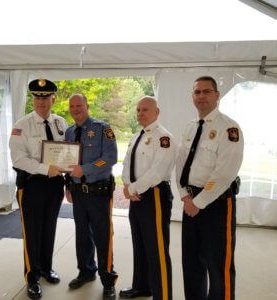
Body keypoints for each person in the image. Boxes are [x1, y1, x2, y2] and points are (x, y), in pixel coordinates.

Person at [176, 76, 244, 300]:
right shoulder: (189, 127)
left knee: (218, 266)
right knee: (192, 263)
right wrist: (186, 196)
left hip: (216, 205)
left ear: (217, 95)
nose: (201, 96)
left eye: (207, 92)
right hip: (190, 204)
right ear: (192, 97)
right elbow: (181, 165)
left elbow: (225, 173)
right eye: (197, 92)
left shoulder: (229, 129)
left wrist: (199, 202)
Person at [9, 79, 68, 299]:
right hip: (32, 185)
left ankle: (45, 267)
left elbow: (66, 153)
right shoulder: (21, 125)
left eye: (45, 97)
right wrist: (46, 168)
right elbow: (18, 159)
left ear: (53, 99)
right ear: (33, 99)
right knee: (32, 232)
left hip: (55, 185)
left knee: (49, 228)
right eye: (37, 97)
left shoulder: (60, 122)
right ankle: (32, 277)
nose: (41, 102)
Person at [120, 96, 178, 300]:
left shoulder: (164, 138)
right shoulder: (137, 136)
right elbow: (127, 163)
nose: (140, 113)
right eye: (138, 110)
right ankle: (142, 286)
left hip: (154, 196)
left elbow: (157, 172)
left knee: (157, 249)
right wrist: (126, 185)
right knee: (140, 243)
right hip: (136, 197)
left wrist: (133, 188)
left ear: (157, 112)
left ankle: (162, 295)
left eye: (145, 110)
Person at [65, 94, 118, 300]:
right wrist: (69, 185)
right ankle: (86, 272)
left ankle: (108, 280)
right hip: (78, 193)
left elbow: (110, 158)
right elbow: (67, 163)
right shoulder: (70, 131)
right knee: (82, 235)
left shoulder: (102, 128)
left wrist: (85, 170)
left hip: (98, 193)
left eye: (79, 105)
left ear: (87, 106)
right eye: (72, 106)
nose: (75, 109)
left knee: (103, 236)